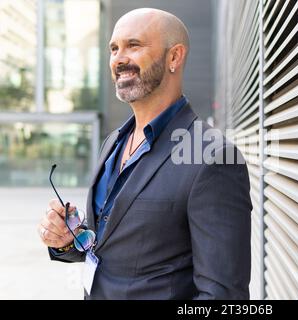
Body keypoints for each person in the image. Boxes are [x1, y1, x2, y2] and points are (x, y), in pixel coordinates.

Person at [37, 8, 252, 300]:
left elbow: (224, 297)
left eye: (134, 45)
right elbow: (112, 248)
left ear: (174, 57)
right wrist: (68, 240)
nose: (119, 58)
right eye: (114, 48)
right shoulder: (113, 142)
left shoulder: (213, 158)